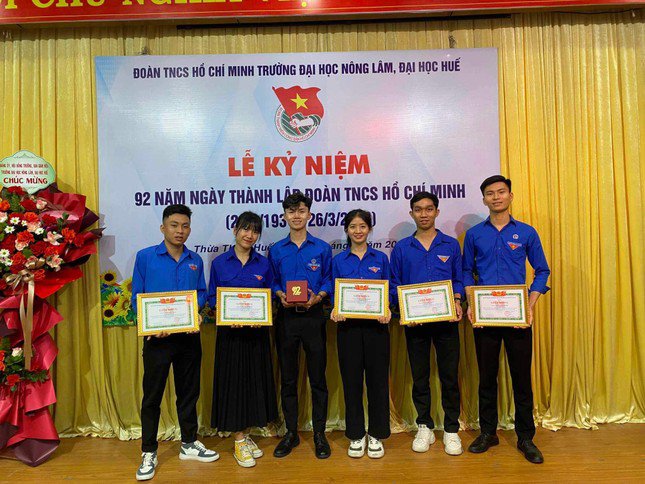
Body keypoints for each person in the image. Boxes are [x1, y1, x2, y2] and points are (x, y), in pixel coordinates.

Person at [463, 175, 550, 464]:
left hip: (517, 317)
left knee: (521, 378)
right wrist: (471, 303)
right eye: (490, 193)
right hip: (485, 317)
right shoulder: (474, 235)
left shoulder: (526, 232)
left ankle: (526, 437)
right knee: (487, 378)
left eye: (501, 192)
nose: (496, 197)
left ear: (510, 196)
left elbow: (542, 271)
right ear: (484, 199)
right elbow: (465, 271)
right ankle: (488, 433)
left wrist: (530, 304)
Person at [131, 204, 218, 481]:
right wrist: (150, 324)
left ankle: (189, 442)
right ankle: (148, 451)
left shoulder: (195, 260)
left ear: (189, 229)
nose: (180, 231)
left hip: (189, 338)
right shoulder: (145, 257)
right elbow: (136, 297)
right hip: (157, 340)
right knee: (152, 396)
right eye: (174, 225)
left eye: (185, 226)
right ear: (163, 227)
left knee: (188, 393)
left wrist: (195, 310)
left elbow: (202, 293)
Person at [390, 191, 464, 456]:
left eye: (429, 209)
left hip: (446, 321)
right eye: (419, 209)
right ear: (412, 213)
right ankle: (424, 426)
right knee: (420, 377)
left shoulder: (450, 245)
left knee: (449, 376)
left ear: (437, 212)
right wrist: (404, 308)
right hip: (416, 324)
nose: (424, 214)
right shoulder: (402, 248)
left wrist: (457, 300)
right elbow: (395, 284)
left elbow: (459, 279)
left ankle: (451, 429)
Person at [208, 211, 278, 468]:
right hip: (230, 336)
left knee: (253, 383)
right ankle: (238, 440)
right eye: (245, 229)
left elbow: (270, 295)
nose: (250, 235)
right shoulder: (219, 263)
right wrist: (226, 312)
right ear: (235, 230)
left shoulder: (264, 264)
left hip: (256, 335)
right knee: (234, 384)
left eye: (255, 231)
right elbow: (212, 297)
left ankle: (246, 434)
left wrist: (261, 312)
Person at [268, 192, 333, 459]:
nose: (296, 215)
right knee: (288, 379)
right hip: (286, 319)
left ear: (309, 214)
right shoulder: (276, 250)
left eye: (301, 210)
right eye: (291, 211)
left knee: (318, 378)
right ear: (284, 215)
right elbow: (271, 281)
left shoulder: (322, 248)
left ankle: (319, 433)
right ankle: (291, 433)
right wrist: (279, 293)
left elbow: (329, 279)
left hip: (314, 317)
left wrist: (319, 296)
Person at [330, 209, 391, 459]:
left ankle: (376, 433)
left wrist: (387, 307)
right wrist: (335, 308)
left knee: (378, 382)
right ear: (346, 230)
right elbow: (334, 291)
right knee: (352, 382)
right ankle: (355, 434)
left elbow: (390, 289)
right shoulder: (338, 261)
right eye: (353, 226)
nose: (358, 231)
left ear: (369, 229)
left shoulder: (381, 258)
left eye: (363, 226)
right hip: (348, 330)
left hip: (377, 328)